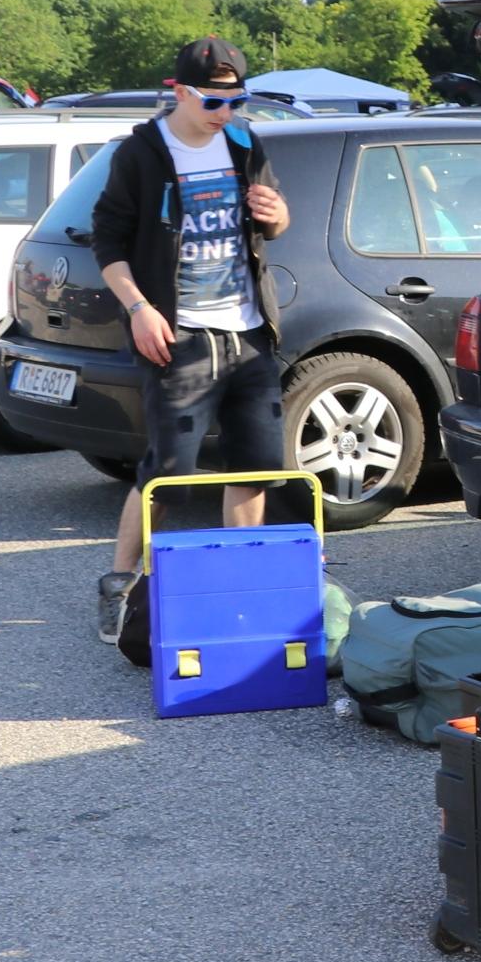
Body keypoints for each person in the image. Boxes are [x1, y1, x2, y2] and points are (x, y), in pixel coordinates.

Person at [89, 39, 293, 651]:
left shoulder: (245, 143)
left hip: (250, 332)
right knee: (167, 477)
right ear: (177, 90)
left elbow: (275, 226)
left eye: (237, 98)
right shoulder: (142, 154)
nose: (225, 110)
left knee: (254, 471)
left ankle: (237, 594)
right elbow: (107, 243)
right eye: (213, 99)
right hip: (180, 338)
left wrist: (278, 213)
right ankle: (120, 585)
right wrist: (139, 309)